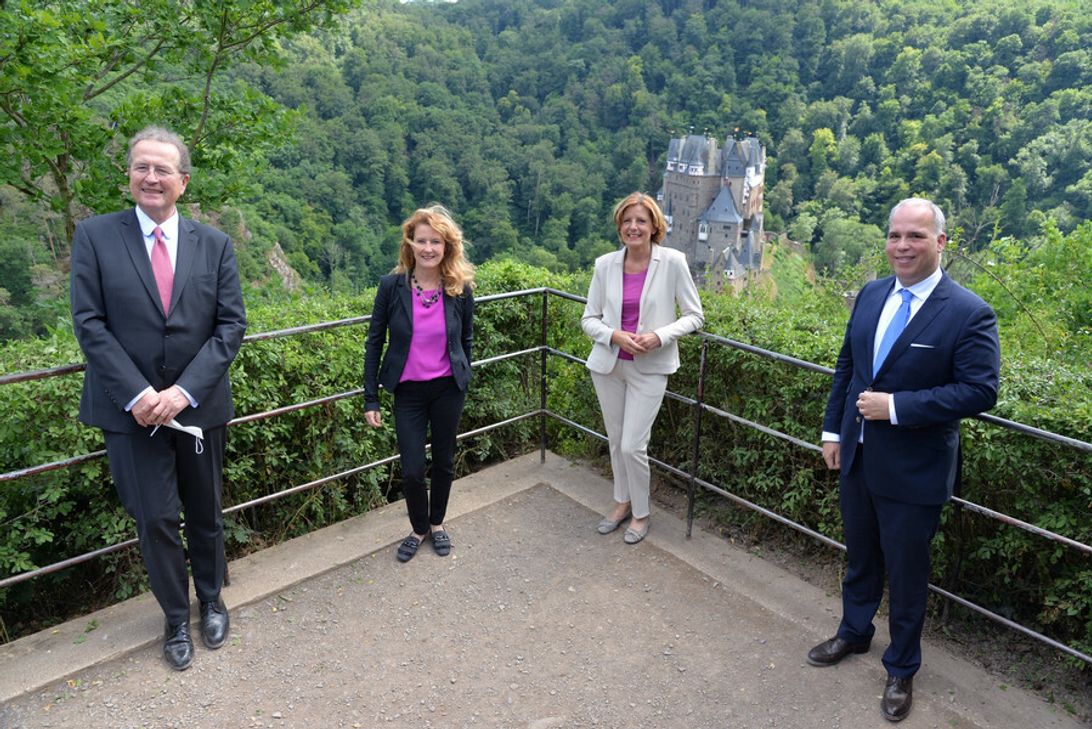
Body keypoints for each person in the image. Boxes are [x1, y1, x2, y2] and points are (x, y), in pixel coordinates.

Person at [808, 198, 1000, 722]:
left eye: (915, 236)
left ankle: (902, 668)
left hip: (915, 471)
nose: (902, 246)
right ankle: (854, 633)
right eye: (895, 235)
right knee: (861, 557)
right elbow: (848, 366)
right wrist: (833, 430)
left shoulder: (969, 311)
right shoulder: (871, 294)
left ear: (941, 242)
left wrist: (896, 408)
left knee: (909, 573)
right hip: (858, 459)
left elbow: (981, 392)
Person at [70, 126, 247, 671]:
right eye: (142, 167)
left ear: (182, 182)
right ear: (129, 176)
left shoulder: (214, 244)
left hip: (198, 408)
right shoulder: (95, 236)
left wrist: (183, 392)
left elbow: (230, 326)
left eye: (163, 169)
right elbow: (89, 323)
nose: (152, 177)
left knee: (205, 512)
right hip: (132, 413)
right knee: (155, 520)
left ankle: (212, 599)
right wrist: (142, 394)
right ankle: (175, 618)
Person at [581, 192, 704, 544]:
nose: (633, 227)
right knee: (617, 441)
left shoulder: (673, 262)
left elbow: (695, 315)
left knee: (634, 445)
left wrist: (660, 336)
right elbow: (588, 319)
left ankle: (641, 513)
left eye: (641, 221)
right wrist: (614, 335)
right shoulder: (605, 264)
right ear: (620, 226)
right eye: (627, 221)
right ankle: (621, 502)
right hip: (609, 366)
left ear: (654, 227)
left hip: (650, 368)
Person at [364, 205, 475, 562]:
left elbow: (467, 340)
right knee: (412, 469)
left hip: (447, 389)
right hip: (408, 392)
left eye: (436, 242)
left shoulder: (459, 288)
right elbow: (374, 341)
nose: (428, 248)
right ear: (410, 244)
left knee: (443, 461)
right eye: (421, 240)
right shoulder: (391, 287)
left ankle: (438, 523)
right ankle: (418, 528)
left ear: (447, 246)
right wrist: (371, 399)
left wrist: (463, 376)